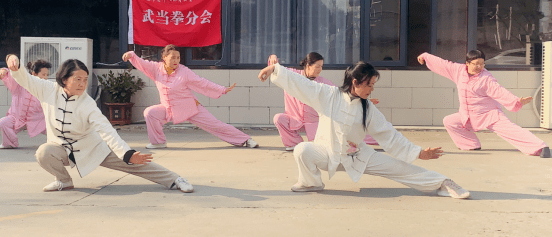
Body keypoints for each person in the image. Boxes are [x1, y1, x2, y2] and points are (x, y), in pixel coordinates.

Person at [258, 60, 470, 199]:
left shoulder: (368, 109)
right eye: (369, 85)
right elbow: (302, 84)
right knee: (302, 149)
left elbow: (389, 134)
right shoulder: (328, 95)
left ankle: (443, 183)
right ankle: (310, 183)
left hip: (358, 156)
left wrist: (418, 153)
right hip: (327, 152)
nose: (371, 90)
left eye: (373, 86)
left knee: (400, 168)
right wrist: (275, 70)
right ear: (355, 82)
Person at [6, 55, 194, 193]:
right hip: (62, 149)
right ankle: (64, 181)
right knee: (43, 152)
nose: (82, 84)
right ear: (64, 79)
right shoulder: (47, 89)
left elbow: (106, 130)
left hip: (93, 148)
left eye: (85, 80)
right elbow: (25, 79)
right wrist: (13, 62)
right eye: (77, 79)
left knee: (135, 163)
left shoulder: (87, 103)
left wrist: (127, 153)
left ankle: (175, 179)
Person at [122, 44, 259, 149]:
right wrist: (131, 55)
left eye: (178, 57)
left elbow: (202, 82)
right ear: (164, 58)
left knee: (216, 125)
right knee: (150, 113)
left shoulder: (184, 71)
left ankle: (245, 139)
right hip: (168, 108)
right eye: (173, 57)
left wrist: (222, 89)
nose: (176, 60)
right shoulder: (156, 69)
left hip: (190, 108)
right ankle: (158, 143)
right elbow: (142, 63)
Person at [418, 50, 550, 158]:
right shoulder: (458, 71)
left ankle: (540, 147)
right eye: (476, 64)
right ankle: (470, 145)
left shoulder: (486, 78)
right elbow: (443, 64)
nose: (479, 67)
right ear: (467, 63)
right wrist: (425, 56)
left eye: (482, 64)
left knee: (511, 130)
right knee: (450, 121)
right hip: (468, 115)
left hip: (489, 114)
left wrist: (516, 101)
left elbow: (499, 92)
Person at [268, 53, 378, 151]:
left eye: (321, 66)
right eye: (317, 66)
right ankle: (295, 144)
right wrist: (273, 58)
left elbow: (341, 94)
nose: (319, 69)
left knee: (343, 136)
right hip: (294, 118)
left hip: (315, 122)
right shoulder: (293, 75)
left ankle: (379, 137)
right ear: (307, 65)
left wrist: (362, 100)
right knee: (279, 118)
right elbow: (276, 69)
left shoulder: (323, 83)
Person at [0, 56, 50, 149]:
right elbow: (13, 74)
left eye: (47, 75)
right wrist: (4, 70)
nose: (45, 78)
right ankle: (10, 143)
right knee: (3, 123)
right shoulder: (19, 84)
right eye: (43, 75)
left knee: (55, 127)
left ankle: (58, 144)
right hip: (17, 118)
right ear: (34, 73)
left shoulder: (46, 87)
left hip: (39, 120)